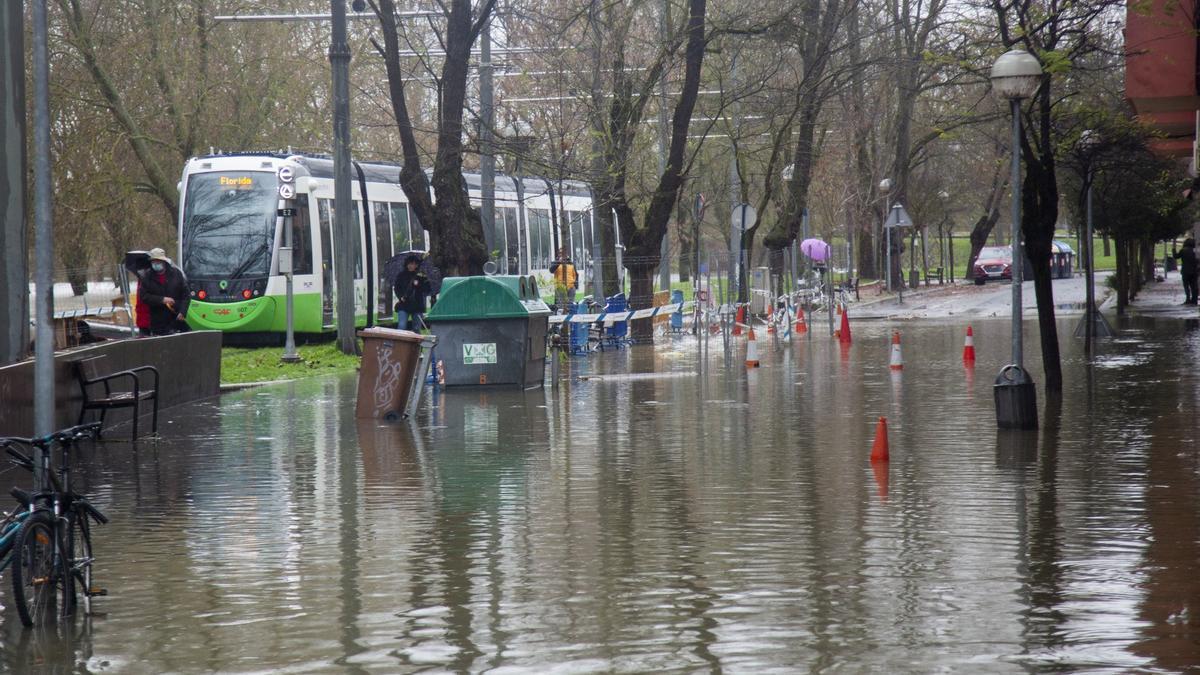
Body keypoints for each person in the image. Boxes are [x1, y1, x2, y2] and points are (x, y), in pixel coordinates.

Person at [139, 248, 191, 335]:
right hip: (158, 322)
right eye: (153, 261)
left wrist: (183, 311)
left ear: (163, 261)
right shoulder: (146, 277)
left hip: (177, 319)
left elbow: (186, 295)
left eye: (158, 261)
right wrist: (162, 299)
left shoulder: (176, 273)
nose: (155, 264)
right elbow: (144, 296)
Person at [393, 254, 430, 331]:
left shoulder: (421, 276)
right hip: (404, 304)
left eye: (413, 264)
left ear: (417, 265)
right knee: (402, 326)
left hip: (417, 305)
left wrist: (418, 285)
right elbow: (397, 288)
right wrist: (400, 297)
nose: (411, 266)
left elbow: (427, 289)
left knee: (416, 328)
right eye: (409, 264)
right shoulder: (401, 275)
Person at [1174, 238, 1198, 305]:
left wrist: (1173, 250)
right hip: (1194, 271)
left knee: (1186, 286)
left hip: (1185, 271)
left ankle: (1188, 299)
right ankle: (1194, 300)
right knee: (1194, 286)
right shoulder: (1196, 251)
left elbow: (1176, 256)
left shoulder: (1183, 250)